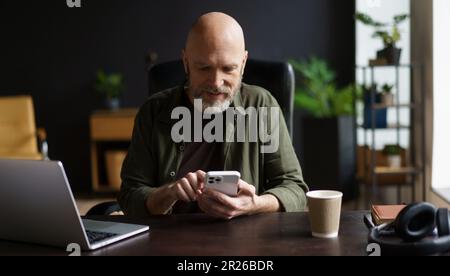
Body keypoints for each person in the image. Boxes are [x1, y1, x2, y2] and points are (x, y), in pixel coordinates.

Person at [118, 12, 308, 219]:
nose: (216, 83)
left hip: (245, 241)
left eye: (228, 69)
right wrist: (168, 193)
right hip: (168, 240)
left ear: (243, 63)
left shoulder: (262, 105)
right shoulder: (153, 111)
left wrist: (255, 204)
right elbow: (129, 195)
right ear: (186, 62)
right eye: (204, 68)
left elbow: (295, 190)